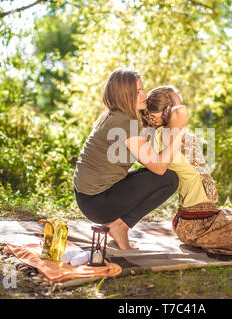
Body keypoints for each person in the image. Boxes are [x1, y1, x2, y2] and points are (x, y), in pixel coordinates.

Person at [142, 85, 232, 255]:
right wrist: (171, 92)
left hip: (209, 218)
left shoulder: (175, 134)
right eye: (149, 116)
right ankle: (211, 242)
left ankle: (215, 240)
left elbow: (180, 114)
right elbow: (181, 112)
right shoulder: (164, 134)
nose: (151, 119)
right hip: (196, 225)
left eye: (153, 115)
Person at [73, 69, 189, 250]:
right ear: (124, 96)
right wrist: (178, 129)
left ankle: (118, 225)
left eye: (142, 89)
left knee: (155, 175)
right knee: (168, 179)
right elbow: (159, 167)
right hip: (97, 202)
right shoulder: (124, 124)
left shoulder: (119, 116)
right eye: (137, 92)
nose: (144, 95)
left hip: (90, 198)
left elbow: (151, 139)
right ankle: (120, 227)